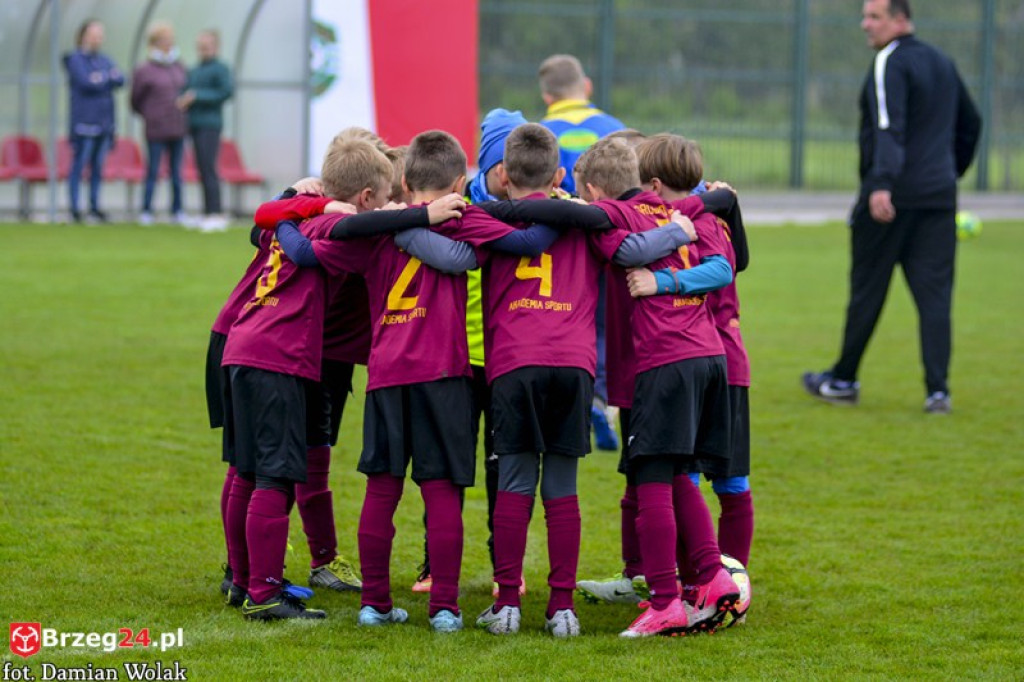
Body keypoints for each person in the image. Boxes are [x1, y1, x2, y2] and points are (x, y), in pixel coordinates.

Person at [470, 124, 693, 638]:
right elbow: (630, 251)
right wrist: (680, 231)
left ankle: (506, 604)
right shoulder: (588, 221)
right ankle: (562, 609)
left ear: (503, 176)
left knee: (515, 482)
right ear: (561, 174)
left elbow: (456, 249)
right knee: (562, 490)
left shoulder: (486, 217)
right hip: (572, 366)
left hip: (514, 363)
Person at [802, 0, 981, 414]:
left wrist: (881, 184)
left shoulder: (890, 62)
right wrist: (948, 171)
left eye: (874, 17)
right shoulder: (943, 62)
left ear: (900, 20)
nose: (865, 24)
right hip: (937, 197)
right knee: (935, 297)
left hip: (892, 198)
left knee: (867, 289)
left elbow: (888, 126)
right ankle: (938, 392)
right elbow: (972, 123)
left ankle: (843, 380)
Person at [538, 53, 625, 452]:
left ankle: (562, 403)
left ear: (546, 94)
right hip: (607, 239)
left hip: (556, 245)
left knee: (562, 318)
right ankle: (602, 399)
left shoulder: (537, 133)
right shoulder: (615, 130)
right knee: (606, 323)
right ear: (586, 86)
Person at [63, 19, 124, 223]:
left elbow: (120, 79)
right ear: (84, 35)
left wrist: (101, 78)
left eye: (100, 34)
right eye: (94, 34)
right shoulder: (75, 59)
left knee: (98, 167)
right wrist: (105, 78)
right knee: (79, 165)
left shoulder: (105, 59)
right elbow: (86, 83)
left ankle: (94, 206)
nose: (98, 38)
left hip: (104, 122)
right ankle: (74, 207)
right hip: (84, 122)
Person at [131, 22, 188, 226]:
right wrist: (151, 114)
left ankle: (177, 210)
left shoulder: (179, 66)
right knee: (153, 171)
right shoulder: (144, 70)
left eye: (170, 39)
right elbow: (135, 100)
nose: (168, 43)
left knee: (176, 173)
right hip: (155, 129)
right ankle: (146, 210)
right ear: (154, 43)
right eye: (164, 40)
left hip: (178, 128)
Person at [178, 29, 233, 232]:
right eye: (200, 46)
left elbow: (226, 92)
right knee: (201, 168)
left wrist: (197, 96)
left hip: (210, 125)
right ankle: (206, 211)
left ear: (215, 47)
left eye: (207, 46)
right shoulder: (194, 69)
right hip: (194, 125)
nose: (203, 49)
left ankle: (216, 212)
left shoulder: (220, 68)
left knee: (209, 168)